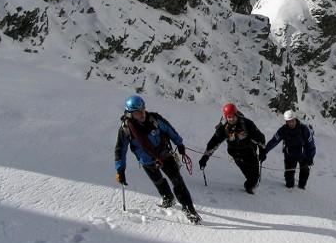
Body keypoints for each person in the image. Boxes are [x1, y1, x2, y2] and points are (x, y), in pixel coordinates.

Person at [114, 95, 202, 224]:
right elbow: (120, 150)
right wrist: (120, 169)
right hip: (147, 161)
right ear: (129, 113)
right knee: (158, 181)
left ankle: (188, 208)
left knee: (177, 181)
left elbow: (169, 130)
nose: (141, 113)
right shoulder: (126, 129)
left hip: (165, 155)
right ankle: (167, 196)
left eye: (142, 110)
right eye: (137, 112)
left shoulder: (154, 119)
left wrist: (179, 144)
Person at [199, 103, 266, 194]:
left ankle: (250, 186)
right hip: (237, 155)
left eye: (232, 116)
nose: (231, 119)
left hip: (250, 152)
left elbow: (260, 138)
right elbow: (213, 144)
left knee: (254, 179)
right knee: (250, 177)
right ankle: (248, 187)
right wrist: (205, 158)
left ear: (236, 114)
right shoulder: (223, 128)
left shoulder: (247, 124)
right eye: (228, 117)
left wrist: (262, 152)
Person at [264, 110, 316, 189]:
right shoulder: (283, 130)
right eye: (289, 121)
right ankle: (289, 187)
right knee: (289, 176)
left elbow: (311, 144)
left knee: (304, 173)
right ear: (286, 122)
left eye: (292, 121)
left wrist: (310, 157)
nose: (291, 123)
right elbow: (274, 140)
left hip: (303, 156)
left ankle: (301, 187)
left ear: (295, 119)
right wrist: (265, 151)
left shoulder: (304, 129)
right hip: (289, 155)